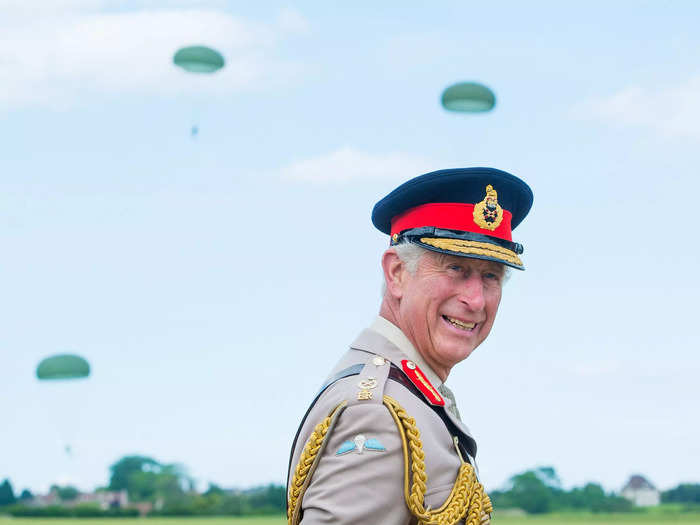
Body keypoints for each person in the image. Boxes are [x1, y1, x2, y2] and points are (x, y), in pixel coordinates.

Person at [287, 167, 533, 525]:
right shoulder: (377, 413)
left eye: (491, 276)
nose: (476, 300)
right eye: (455, 268)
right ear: (397, 273)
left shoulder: (411, 392)